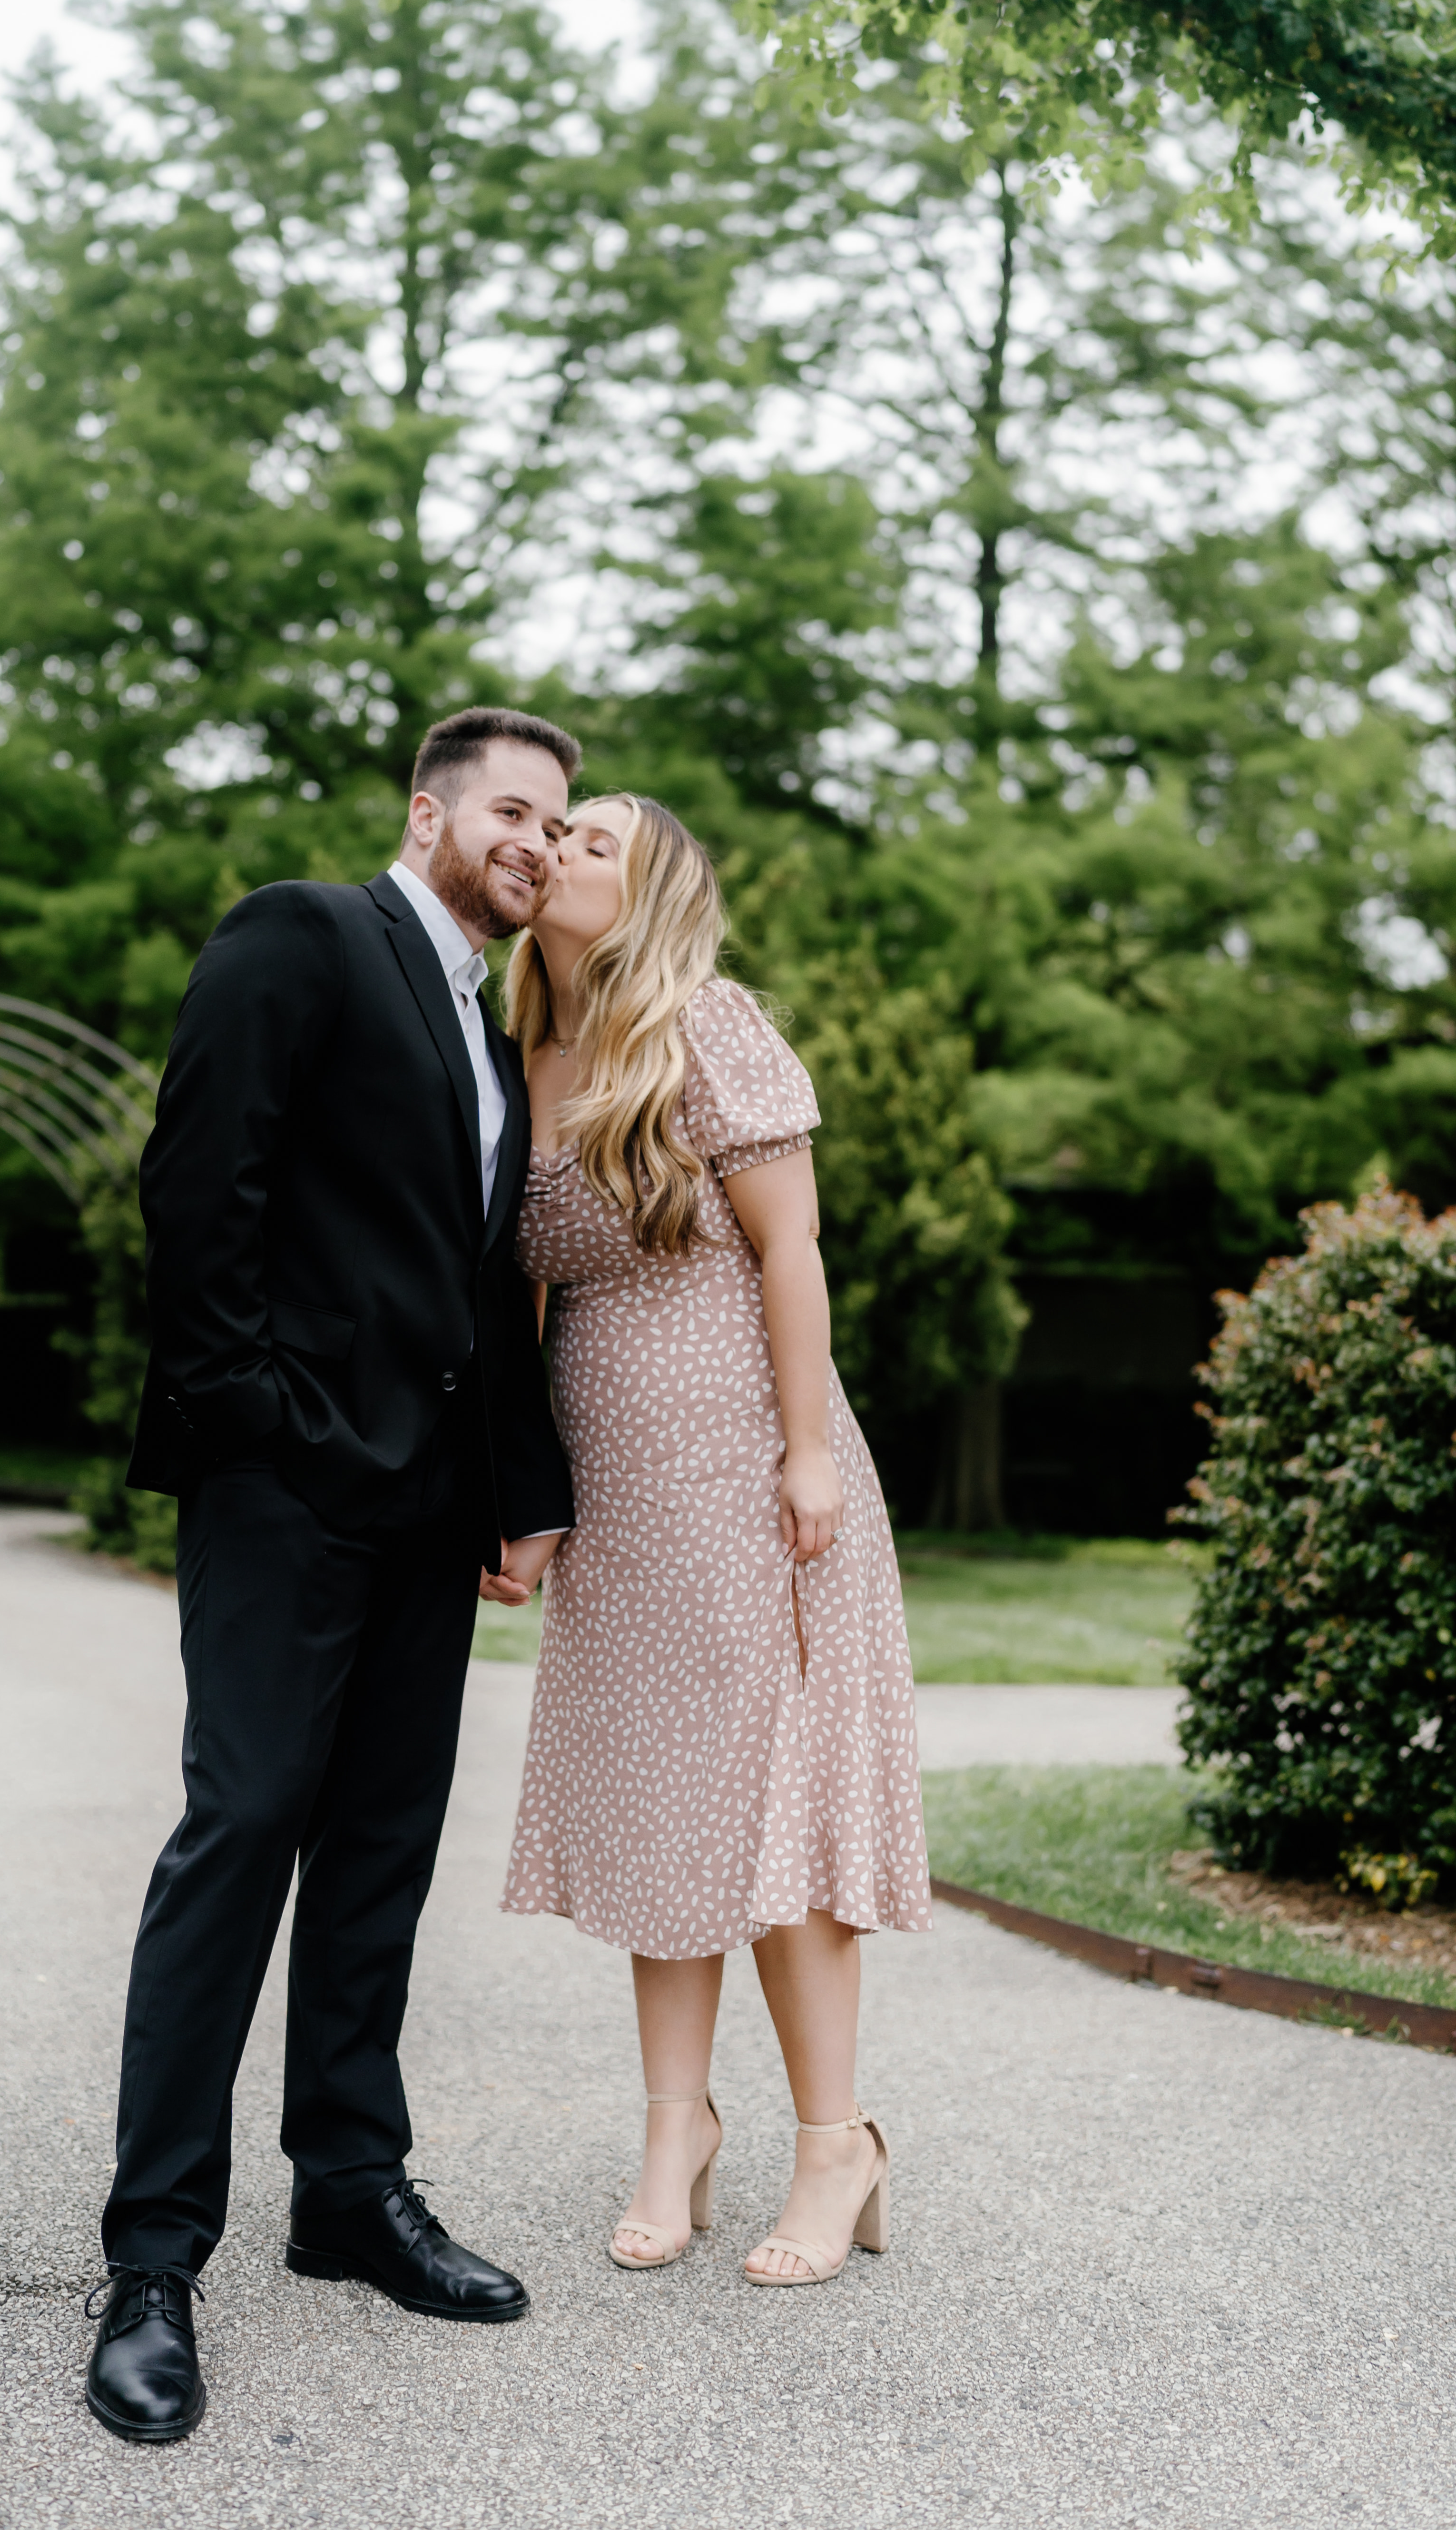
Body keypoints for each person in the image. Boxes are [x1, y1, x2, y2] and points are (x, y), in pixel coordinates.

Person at [86, 709, 579, 2443]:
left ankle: (349, 2192)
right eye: (510, 810)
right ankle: (153, 2260)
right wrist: (257, 1425)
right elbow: (196, 1183)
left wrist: (524, 1494)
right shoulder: (301, 933)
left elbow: (486, 1282)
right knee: (245, 1833)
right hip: (284, 1489)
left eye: (556, 823)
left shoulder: (497, 1042)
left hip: (432, 1515)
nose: (534, 842)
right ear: (428, 811)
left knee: (380, 1851)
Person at [498, 794, 931, 2286]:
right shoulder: (520, 1055)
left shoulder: (708, 1024)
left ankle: (838, 2148)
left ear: (658, 893)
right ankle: (673, 2131)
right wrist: (531, 1499)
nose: (563, 848)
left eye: (599, 839)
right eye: (554, 829)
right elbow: (529, 1309)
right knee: (656, 1812)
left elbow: (791, 1249)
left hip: (753, 1474)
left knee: (777, 1820)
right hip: (618, 1496)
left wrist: (808, 1454)